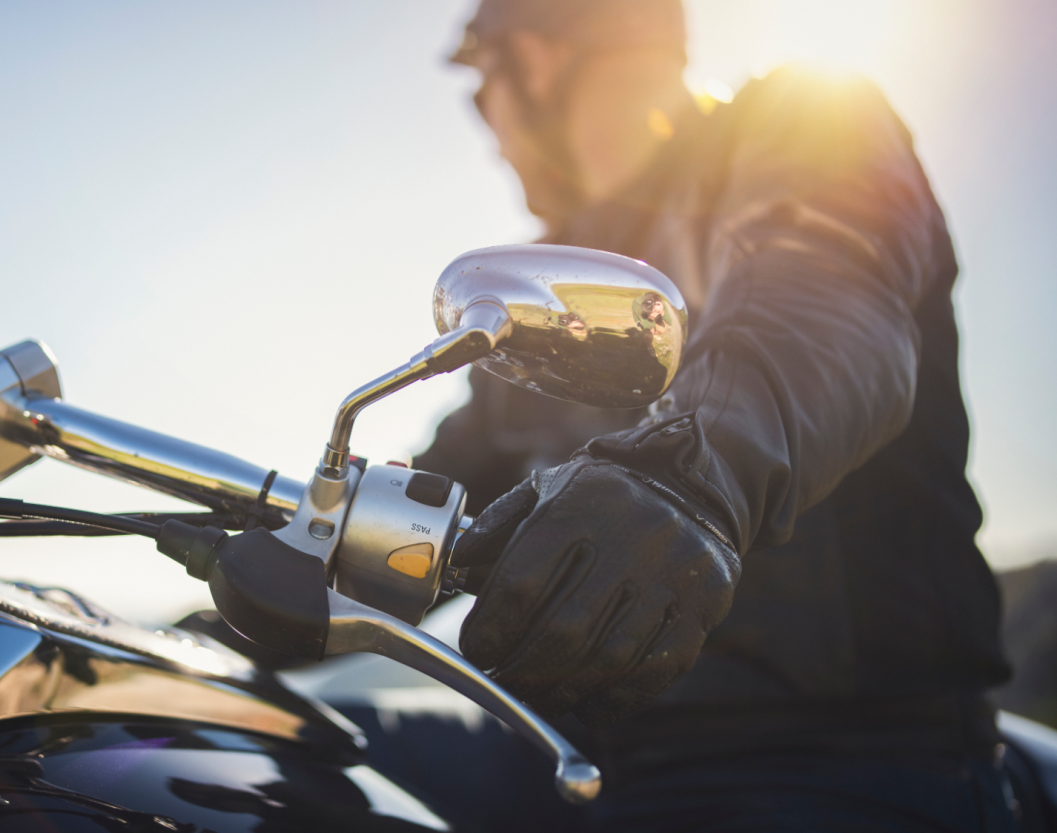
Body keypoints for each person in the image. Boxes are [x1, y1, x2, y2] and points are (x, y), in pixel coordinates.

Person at [414, 0, 1021, 828]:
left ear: (536, 62)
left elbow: (823, 299)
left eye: (482, 93)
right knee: (252, 754)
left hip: (829, 751)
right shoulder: (559, 280)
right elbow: (439, 487)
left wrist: (686, 471)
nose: (487, 128)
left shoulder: (807, 122)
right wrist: (286, 555)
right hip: (570, 746)